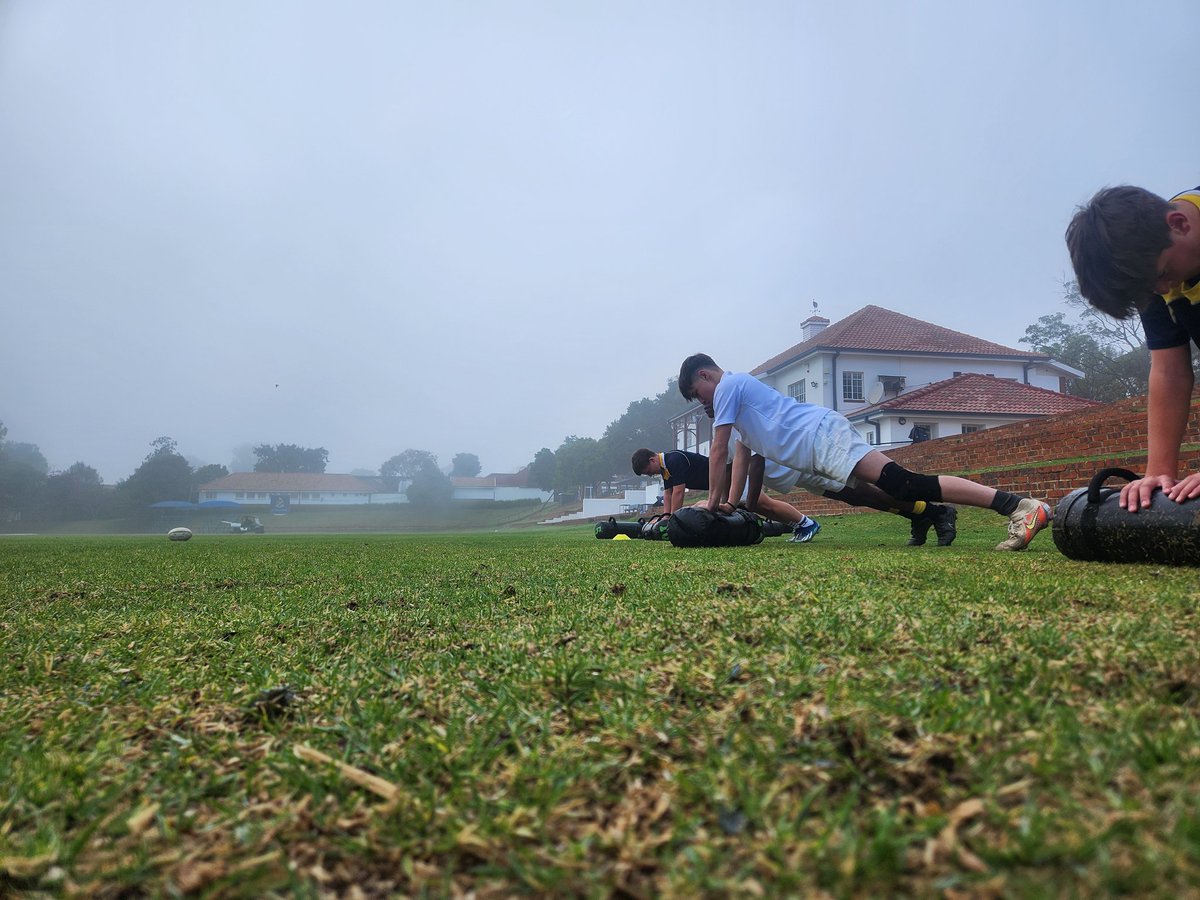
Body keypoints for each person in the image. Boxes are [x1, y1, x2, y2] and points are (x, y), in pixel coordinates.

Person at [677, 354, 1051, 551]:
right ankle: (987, 509)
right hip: (816, 448)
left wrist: (710, 503)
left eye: (697, 393)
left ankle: (1020, 506)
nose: (701, 400)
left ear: (706, 377)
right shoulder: (742, 412)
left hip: (821, 436)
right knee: (897, 488)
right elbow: (745, 458)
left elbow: (718, 447)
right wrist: (732, 502)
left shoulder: (729, 386)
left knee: (905, 483)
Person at [1065, 184, 1200, 512]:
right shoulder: (1149, 264)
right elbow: (1170, 370)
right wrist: (1159, 473)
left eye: (1164, 274)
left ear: (1180, 224)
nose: (1163, 289)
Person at [728, 436, 957, 547]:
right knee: (859, 497)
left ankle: (936, 512)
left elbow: (753, 461)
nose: (703, 403)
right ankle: (919, 513)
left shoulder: (737, 418)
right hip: (797, 471)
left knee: (865, 493)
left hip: (805, 460)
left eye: (699, 395)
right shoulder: (724, 425)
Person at [632, 447, 821, 542]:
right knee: (752, 507)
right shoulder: (665, 469)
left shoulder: (674, 459)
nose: (650, 475)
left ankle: (806, 523)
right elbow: (668, 492)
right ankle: (798, 526)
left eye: (648, 471)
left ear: (652, 459)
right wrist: (666, 516)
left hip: (729, 480)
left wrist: (674, 520)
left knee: (763, 503)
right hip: (720, 488)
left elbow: (679, 492)